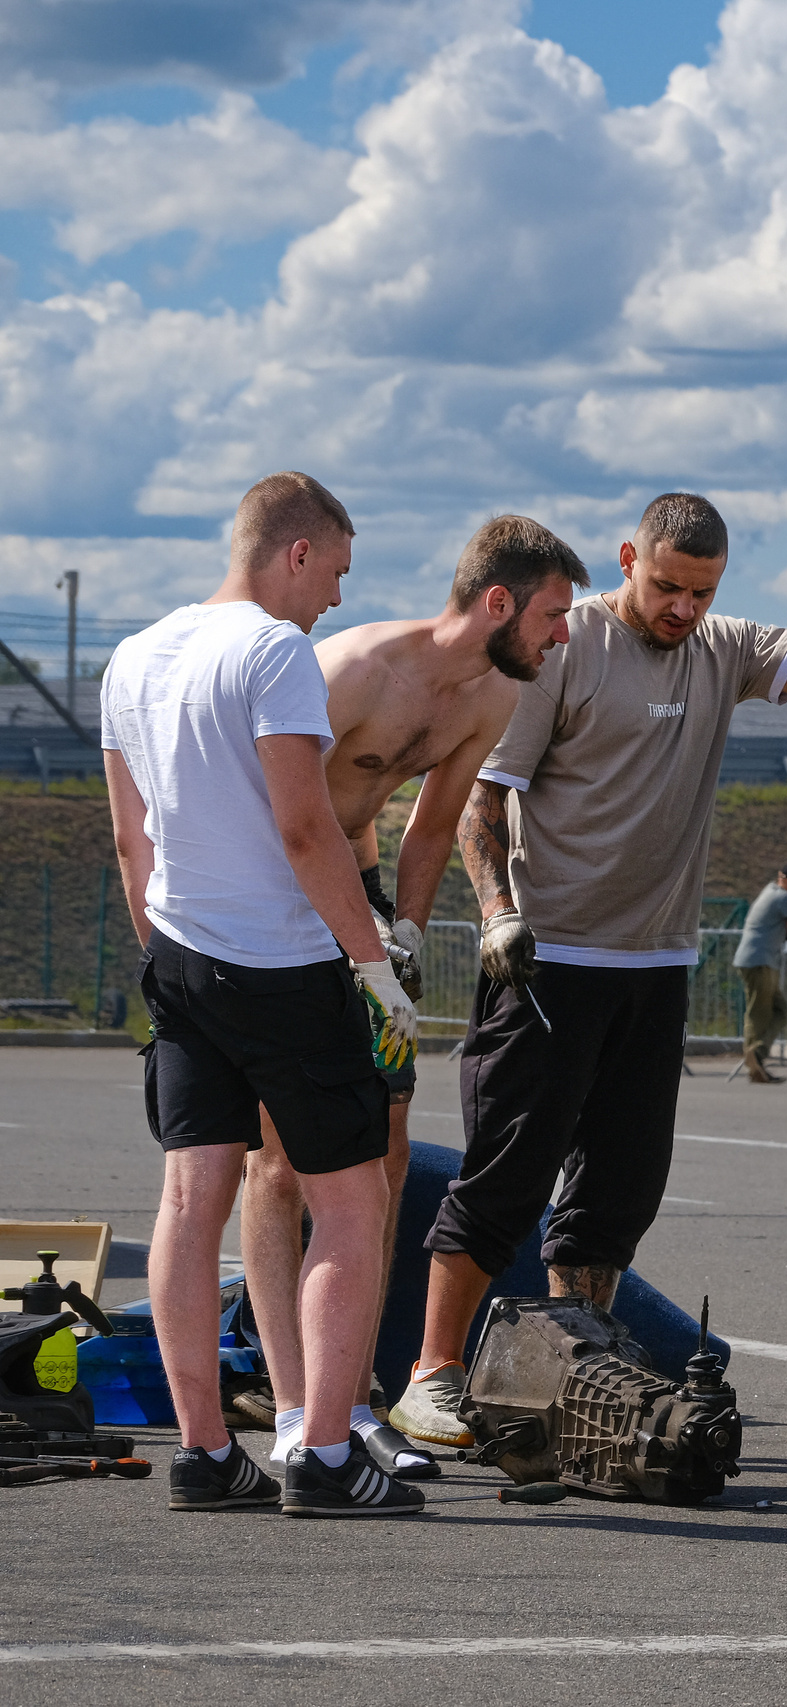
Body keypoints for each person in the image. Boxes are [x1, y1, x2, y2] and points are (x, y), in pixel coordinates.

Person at [388, 491, 787, 1447]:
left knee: (618, 1193)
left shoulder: (722, 648)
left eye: (702, 591)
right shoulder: (563, 650)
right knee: (506, 1180)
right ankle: (429, 1375)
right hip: (548, 962)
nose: (683, 608)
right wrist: (496, 914)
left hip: (657, 964)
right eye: (667, 586)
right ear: (627, 560)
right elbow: (483, 799)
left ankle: (572, 1369)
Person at [100, 471, 425, 1516]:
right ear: (297, 551)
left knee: (190, 1199)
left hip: (179, 956)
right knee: (352, 1198)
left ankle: (203, 1453)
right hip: (281, 963)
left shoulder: (133, 656)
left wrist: (166, 959)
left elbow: (132, 841)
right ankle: (323, 1453)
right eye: (336, 571)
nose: (336, 596)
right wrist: (371, 964)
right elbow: (305, 826)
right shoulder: (275, 652)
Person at [240, 514, 584, 1477]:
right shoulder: (353, 670)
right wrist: (329, 941)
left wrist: (405, 940)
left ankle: (354, 1402)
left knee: (384, 1151)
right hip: (273, 901)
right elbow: (268, 809)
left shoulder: (494, 695)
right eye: (553, 615)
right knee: (280, 1163)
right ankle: (293, 1400)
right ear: (498, 602)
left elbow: (430, 830)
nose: (564, 635)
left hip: (363, 903)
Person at [734, 860, 787, 1082]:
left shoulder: (772, 892)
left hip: (758, 960)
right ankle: (754, 1057)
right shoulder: (782, 897)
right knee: (759, 1012)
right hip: (759, 961)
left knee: (778, 1010)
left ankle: (757, 1061)